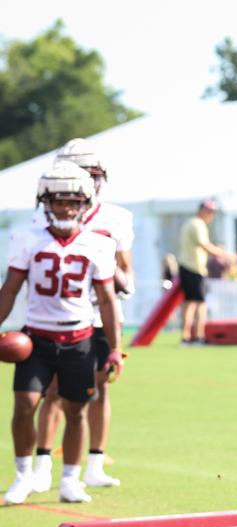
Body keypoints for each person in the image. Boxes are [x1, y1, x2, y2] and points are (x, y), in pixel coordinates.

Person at [1, 162, 123, 504]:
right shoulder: (27, 239)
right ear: (45, 203)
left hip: (79, 339)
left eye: (72, 202)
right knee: (25, 403)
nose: (66, 208)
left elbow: (107, 298)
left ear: (85, 204)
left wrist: (115, 347)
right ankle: (23, 474)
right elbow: (10, 289)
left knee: (77, 409)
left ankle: (70, 479)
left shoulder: (98, 244)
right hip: (36, 337)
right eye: (58, 202)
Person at [31, 139, 135, 489]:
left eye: (92, 173)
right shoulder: (44, 215)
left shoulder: (116, 217)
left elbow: (126, 274)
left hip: (101, 314)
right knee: (55, 391)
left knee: (101, 389)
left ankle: (93, 465)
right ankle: (42, 464)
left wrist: (118, 279)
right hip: (61, 314)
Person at [176, 200, 234, 345]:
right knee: (198, 303)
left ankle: (188, 337)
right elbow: (205, 246)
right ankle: (196, 337)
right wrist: (227, 255)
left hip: (189, 267)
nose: (212, 216)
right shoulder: (197, 224)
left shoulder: (192, 223)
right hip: (193, 268)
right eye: (211, 212)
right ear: (202, 211)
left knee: (191, 302)